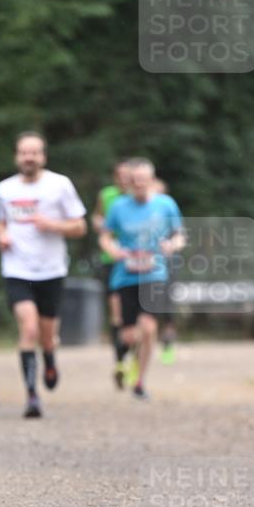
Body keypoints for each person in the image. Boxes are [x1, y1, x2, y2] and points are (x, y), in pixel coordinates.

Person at [0, 132, 87, 418]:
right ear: (17, 156)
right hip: (16, 269)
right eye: (24, 153)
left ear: (43, 156)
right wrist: (2, 236)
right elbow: (0, 223)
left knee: (47, 336)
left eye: (34, 153)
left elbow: (80, 227)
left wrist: (53, 225)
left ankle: (49, 357)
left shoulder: (60, 185)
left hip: (51, 270)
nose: (29, 157)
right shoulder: (4, 189)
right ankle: (32, 396)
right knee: (29, 329)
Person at [98, 158, 184, 400]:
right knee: (128, 335)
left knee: (147, 328)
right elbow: (105, 236)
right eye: (134, 182)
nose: (139, 185)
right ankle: (126, 358)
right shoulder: (118, 207)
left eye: (143, 181)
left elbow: (179, 235)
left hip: (154, 274)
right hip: (125, 276)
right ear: (128, 183)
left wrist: (172, 245)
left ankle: (139, 381)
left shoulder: (166, 204)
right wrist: (112, 249)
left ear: (151, 180)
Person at [92, 161, 132, 388]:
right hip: (113, 261)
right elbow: (97, 218)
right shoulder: (107, 195)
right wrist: (103, 227)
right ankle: (119, 360)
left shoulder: (144, 197)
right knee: (117, 313)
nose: (125, 180)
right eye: (121, 176)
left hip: (139, 263)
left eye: (129, 176)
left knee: (137, 317)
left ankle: (131, 356)